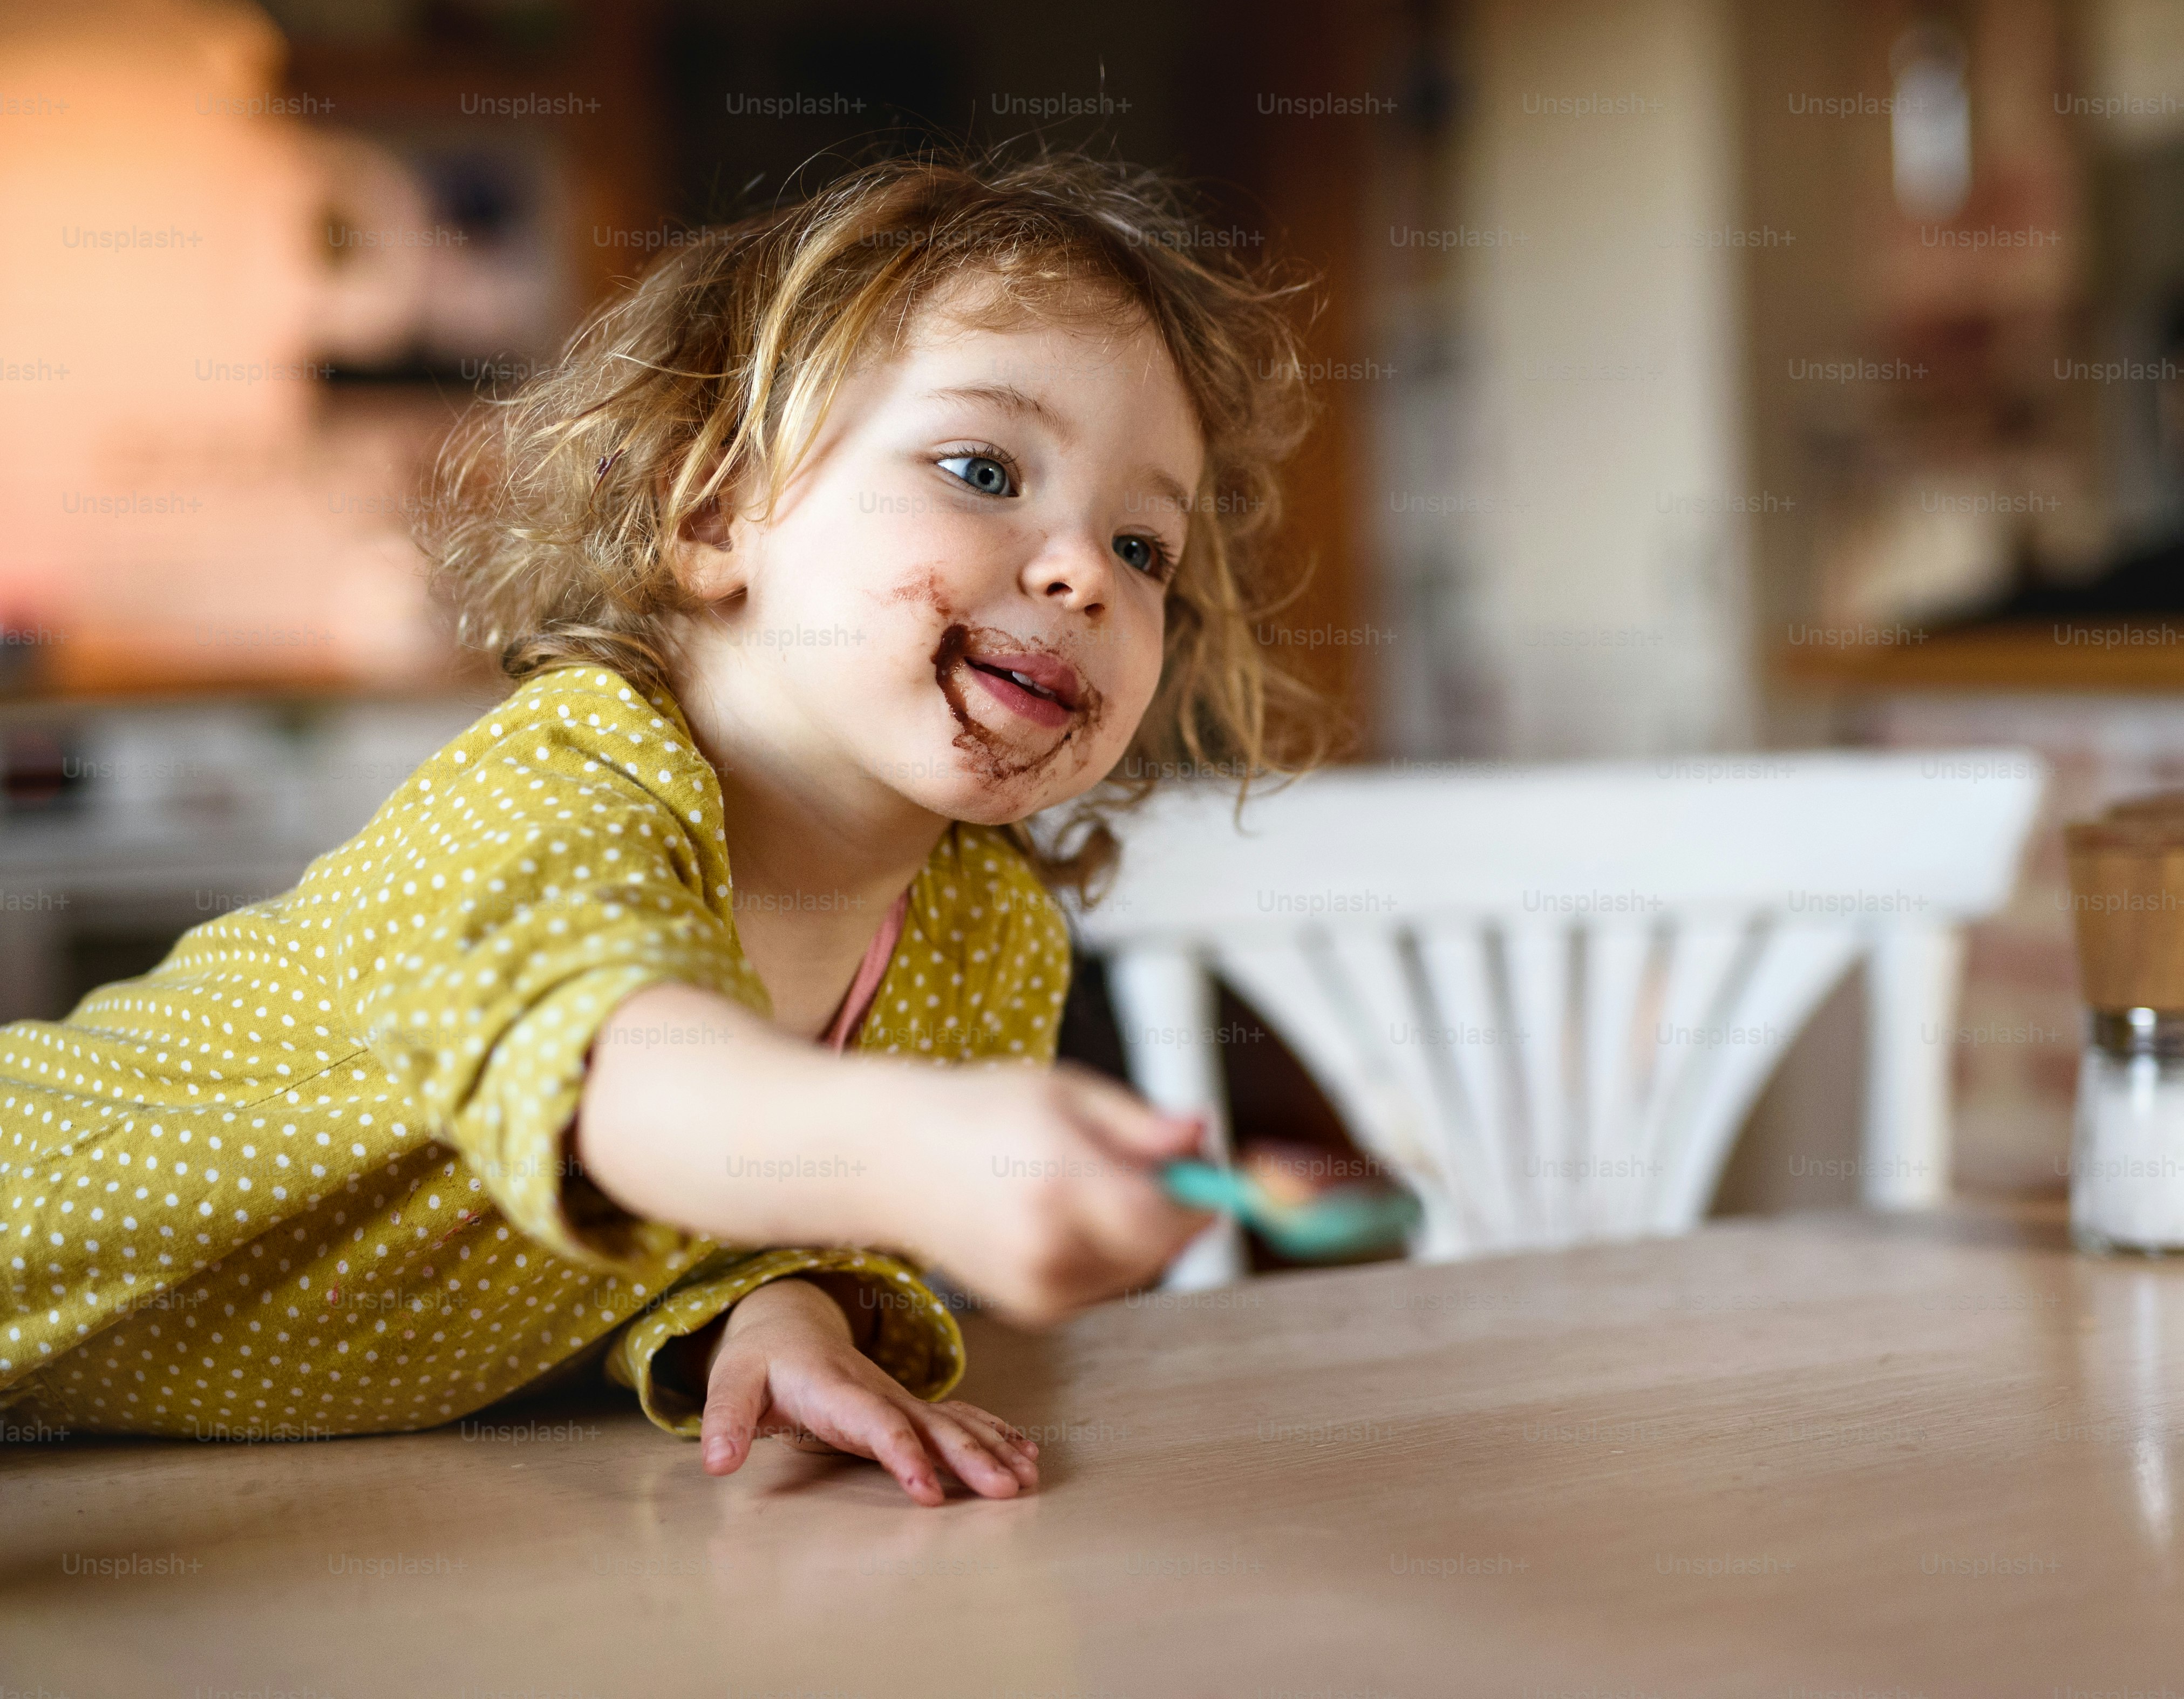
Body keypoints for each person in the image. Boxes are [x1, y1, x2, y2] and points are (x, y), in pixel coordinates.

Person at [0, 151, 1320, 1506]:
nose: (1081, 572)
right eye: (983, 467)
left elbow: (739, 1220)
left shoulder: (983, 933)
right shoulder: (565, 777)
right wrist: (917, 1149)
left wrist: (780, 1314)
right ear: (713, 510)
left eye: (1144, 546)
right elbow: (624, 1079)